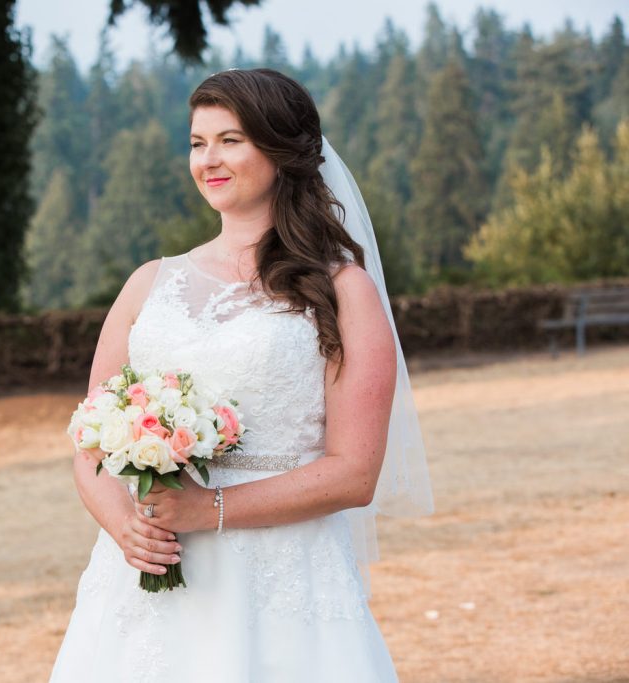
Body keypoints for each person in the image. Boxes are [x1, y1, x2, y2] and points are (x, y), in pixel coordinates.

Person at [50, 69, 433, 680]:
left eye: (231, 140)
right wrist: (124, 525)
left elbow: (356, 473)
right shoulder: (150, 282)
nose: (209, 160)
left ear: (281, 151)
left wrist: (212, 509)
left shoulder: (341, 290)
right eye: (198, 142)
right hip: (149, 576)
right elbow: (90, 439)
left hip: (284, 579)